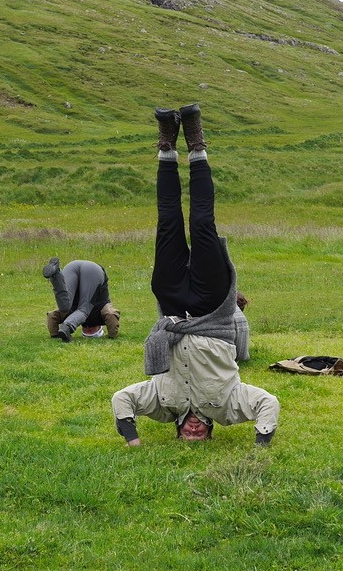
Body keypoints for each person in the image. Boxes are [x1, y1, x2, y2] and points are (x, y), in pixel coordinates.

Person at [111, 103, 279, 446]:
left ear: (176, 430)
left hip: (171, 307)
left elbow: (121, 399)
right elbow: (268, 404)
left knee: (167, 224)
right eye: (199, 436)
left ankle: (167, 145)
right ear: (209, 430)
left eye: (186, 436)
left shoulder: (160, 404)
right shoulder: (229, 408)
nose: (192, 432)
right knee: (203, 224)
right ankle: (197, 142)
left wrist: (132, 439)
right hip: (212, 307)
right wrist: (262, 446)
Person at [42, 258, 120, 342]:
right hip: (92, 270)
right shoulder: (101, 314)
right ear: (99, 327)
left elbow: (53, 315)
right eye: (93, 332)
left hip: (72, 266)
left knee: (64, 307)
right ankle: (67, 326)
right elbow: (111, 314)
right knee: (84, 309)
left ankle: (56, 275)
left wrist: (54, 335)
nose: (89, 329)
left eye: (86, 332)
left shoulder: (74, 315)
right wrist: (112, 336)